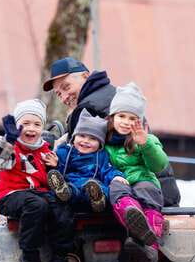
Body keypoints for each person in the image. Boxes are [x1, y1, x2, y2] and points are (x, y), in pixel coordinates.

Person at [43, 56, 181, 207]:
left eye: (66, 87)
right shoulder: (114, 96)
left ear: (85, 76)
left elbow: (79, 157)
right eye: (59, 94)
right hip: (160, 191)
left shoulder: (88, 107)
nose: (64, 97)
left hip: (138, 193)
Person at [0, 99, 76, 262]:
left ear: (42, 128)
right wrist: (8, 139)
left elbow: (52, 177)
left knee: (62, 206)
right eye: (25, 124)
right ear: (17, 126)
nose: (31, 128)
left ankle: (59, 259)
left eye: (37, 124)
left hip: (38, 194)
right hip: (12, 195)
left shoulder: (45, 150)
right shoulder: (11, 148)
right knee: (36, 205)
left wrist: (55, 166)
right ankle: (29, 257)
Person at [105, 83, 169, 262]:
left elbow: (159, 165)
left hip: (143, 179)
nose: (126, 121)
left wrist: (145, 144)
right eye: (122, 116)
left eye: (132, 118)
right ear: (112, 117)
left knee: (146, 191)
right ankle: (132, 215)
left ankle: (150, 245)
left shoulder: (146, 139)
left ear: (140, 121)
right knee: (117, 187)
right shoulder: (103, 141)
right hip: (119, 181)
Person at [46, 110, 126, 213]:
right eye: (82, 136)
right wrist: (55, 165)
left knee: (102, 188)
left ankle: (99, 200)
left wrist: (116, 176)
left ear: (100, 144)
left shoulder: (101, 156)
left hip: (91, 185)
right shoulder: (64, 151)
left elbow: (107, 170)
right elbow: (60, 172)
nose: (86, 141)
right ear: (74, 138)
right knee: (70, 188)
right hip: (71, 185)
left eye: (92, 138)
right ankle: (64, 192)